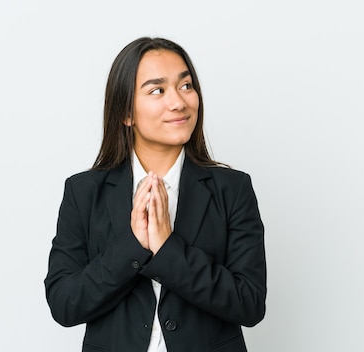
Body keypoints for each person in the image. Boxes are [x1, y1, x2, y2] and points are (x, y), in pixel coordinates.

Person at [44, 37, 266, 352]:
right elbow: (64, 304)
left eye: (186, 86)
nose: (179, 102)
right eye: (157, 90)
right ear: (126, 113)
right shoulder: (83, 192)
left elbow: (250, 304)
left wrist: (168, 250)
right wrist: (133, 246)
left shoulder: (232, 189)